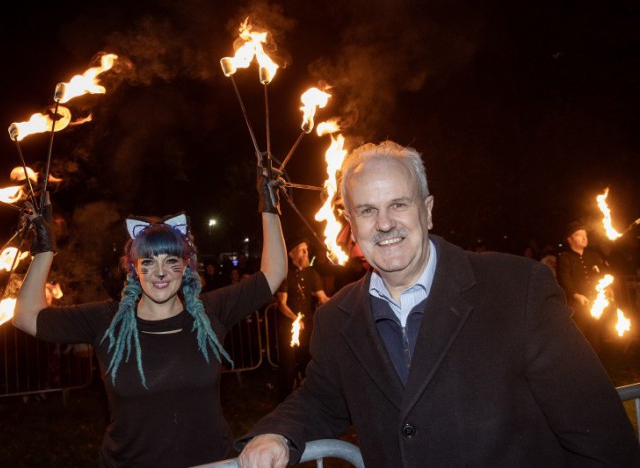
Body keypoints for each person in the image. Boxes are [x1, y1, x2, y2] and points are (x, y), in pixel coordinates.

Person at [236, 140, 639, 467]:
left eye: (398, 204)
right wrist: (276, 434)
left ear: (427, 211)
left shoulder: (517, 289)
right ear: (352, 225)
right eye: (367, 210)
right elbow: (319, 399)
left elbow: (599, 436)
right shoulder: (335, 319)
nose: (385, 223)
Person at [13, 167, 287, 468]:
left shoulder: (210, 312)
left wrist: (269, 207)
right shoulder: (107, 319)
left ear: (186, 266)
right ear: (134, 268)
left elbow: (272, 274)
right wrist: (43, 250)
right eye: (148, 261)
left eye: (171, 261)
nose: (160, 273)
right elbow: (27, 316)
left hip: (211, 464)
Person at [275, 238, 330, 402]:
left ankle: (310, 398)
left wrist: (341, 299)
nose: (306, 254)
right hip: (288, 326)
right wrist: (295, 320)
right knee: (288, 363)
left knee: (309, 361)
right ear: (293, 254)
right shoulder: (285, 274)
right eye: (302, 250)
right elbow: (282, 305)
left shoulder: (313, 273)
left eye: (306, 250)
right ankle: (285, 400)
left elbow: (323, 298)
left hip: (308, 326)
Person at [556, 221, 609, 354]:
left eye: (585, 235)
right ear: (570, 239)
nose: (584, 237)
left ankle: (596, 364)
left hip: (595, 301)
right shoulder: (565, 257)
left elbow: (601, 275)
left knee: (595, 335)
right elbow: (564, 278)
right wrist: (576, 295)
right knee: (580, 335)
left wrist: (607, 289)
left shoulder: (593, 255)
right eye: (579, 235)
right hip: (577, 305)